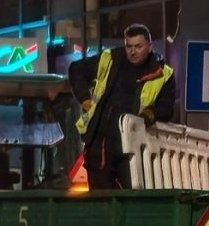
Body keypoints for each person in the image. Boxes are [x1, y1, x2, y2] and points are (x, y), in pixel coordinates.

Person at [67, 24, 178, 190]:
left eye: (138, 46)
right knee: (101, 200)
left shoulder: (164, 73)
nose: (132, 51)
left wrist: (149, 115)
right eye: (129, 46)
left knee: (132, 197)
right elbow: (76, 69)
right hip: (100, 141)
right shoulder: (110, 58)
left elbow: (167, 107)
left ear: (149, 47)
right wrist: (85, 100)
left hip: (134, 144)